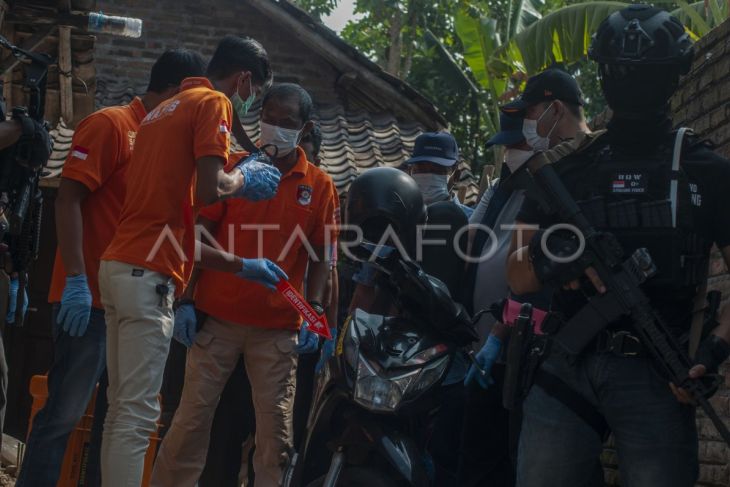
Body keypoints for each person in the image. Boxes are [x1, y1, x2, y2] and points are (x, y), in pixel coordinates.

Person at [506, 6, 730, 486]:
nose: (628, 80)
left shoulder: (705, 169)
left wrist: (711, 352)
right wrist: (559, 260)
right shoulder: (564, 169)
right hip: (568, 363)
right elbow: (518, 274)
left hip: (658, 371)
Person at [98, 36, 285, 487]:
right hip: (148, 277)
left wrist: (243, 265)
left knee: (121, 409)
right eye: (254, 93)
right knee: (138, 415)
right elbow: (208, 190)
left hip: (120, 266)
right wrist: (243, 177)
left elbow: (175, 229)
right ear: (243, 79)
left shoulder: (164, 111)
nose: (249, 102)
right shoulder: (214, 103)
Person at [15, 49, 206, 487]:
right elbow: (68, 198)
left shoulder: (165, 141)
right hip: (91, 300)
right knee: (63, 415)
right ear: (178, 90)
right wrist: (77, 280)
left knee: (117, 422)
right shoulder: (112, 125)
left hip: (132, 299)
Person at [151, 83, 339, 487]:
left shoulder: (320, 186)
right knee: (189, 422)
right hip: (217, 319)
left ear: (303, 128)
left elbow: (323, 256)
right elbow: (197, 238)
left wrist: (316, 312)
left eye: (286, 122)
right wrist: (185, 300)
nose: (274, 128)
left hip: (278, 331)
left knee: (275, 438)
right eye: (268, 118)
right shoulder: (235, 173)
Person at [458, 69, 591, 487]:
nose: (515, 148)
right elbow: (502, 259)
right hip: (508, 343)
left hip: (555, 350)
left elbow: (539, 272)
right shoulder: (520, 183)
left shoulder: (574, 173)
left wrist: (501, 329)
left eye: (528, 119)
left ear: (554, 110)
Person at [294, 124, 340, 449]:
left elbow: (329, 270)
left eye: (305, 146)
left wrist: (327, 328)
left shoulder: (321, 192)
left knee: (294, 414)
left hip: (306, 319)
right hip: (267, 315)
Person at [407, 131, 473, 217]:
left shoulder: (471, 221)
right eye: (420, 168)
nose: (428, 176)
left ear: (456, 176)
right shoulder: (398, 219)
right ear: (410, 173)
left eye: (437, 170)